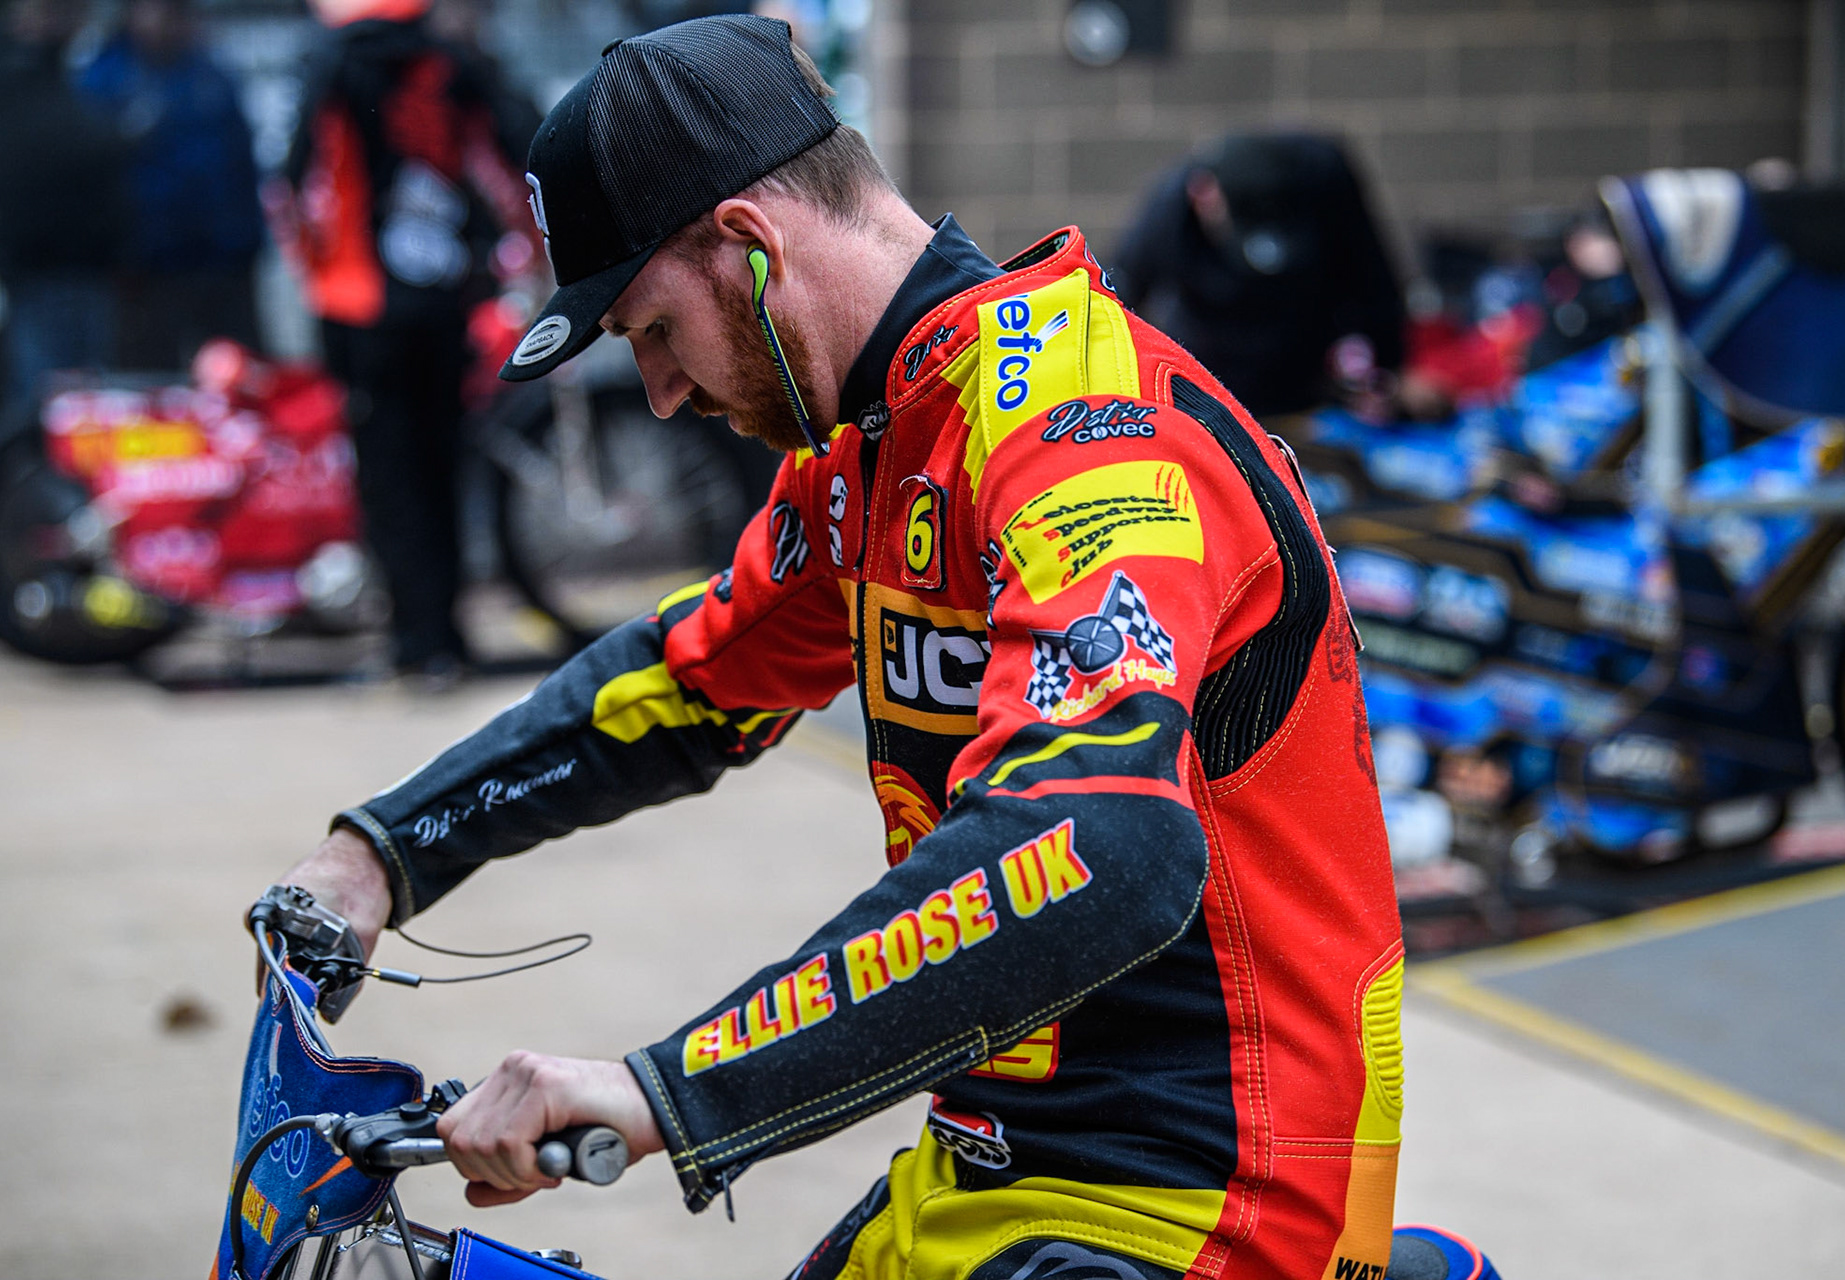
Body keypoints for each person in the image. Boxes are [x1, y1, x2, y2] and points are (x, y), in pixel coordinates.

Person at [271, 17, 1400, 1280]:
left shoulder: (1090, 439)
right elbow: (687, 685)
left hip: (1202, 1206)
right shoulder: (877, 451)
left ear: (749, 251)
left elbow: (1104, 844)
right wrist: (380, 853)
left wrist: (668, 1090)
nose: (660, 393)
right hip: (996, 1164)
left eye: (650, 331)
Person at [279, 0, 534, 681]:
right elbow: (521, 151)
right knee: (445, 467)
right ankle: (447, 637)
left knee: (387, 478)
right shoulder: (454, 63)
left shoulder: (332, 63)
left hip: (357, 306)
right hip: (443, 304)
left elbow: (291, 177)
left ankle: (411, 639)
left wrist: (318, 272)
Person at [1113, 133, 1406, 421]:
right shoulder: (1167, 214)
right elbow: (1117, 300)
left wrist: (1385, 370)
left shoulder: (1325, 179)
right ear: (1203, 195)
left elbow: (1374, 282)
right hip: (1213, 380)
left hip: (1307, 381)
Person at [78, 0, 266, 369]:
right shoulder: (104, 78)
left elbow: (239, 165)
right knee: (150, 384)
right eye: (151, 9)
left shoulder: (212, 73)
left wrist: (248, 243)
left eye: (174, 10)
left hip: (222, 263)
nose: (162, 21)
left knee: (239, 379)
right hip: (145, 270)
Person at [0, 0, 127, 408]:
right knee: (44, 401)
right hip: (38, 267)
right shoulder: (12, 73)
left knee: (89, 402)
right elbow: (50, 148)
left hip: (84, 263)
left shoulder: (66, 69)